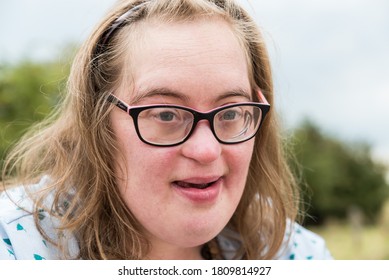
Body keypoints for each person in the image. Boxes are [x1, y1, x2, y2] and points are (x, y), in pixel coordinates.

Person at [0, 0, 332, 260]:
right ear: (99, 123)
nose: (206, 150)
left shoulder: (294, 256)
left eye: (230, 112)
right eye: (166, 115)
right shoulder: (14, 247)